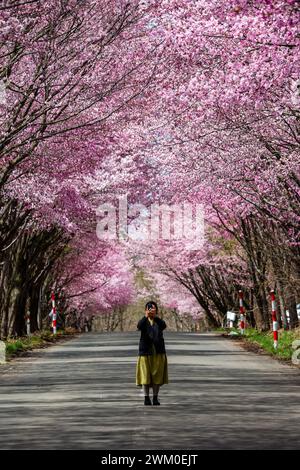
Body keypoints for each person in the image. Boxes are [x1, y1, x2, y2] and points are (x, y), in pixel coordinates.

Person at [136, 301, 168, 405]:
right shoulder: (144, 321)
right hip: (145, 352)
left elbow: (164, 326)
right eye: (149, 309)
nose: (151, 310)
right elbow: (139, 326)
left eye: (154, 309)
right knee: (145, 375)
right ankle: (146, 398)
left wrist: (156, 316)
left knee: (157, 376)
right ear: (145, 310)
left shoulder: (158, 321)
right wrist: (146, 316)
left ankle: (155, 397)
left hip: (158, 352)